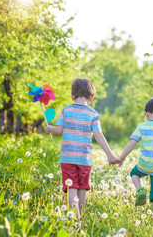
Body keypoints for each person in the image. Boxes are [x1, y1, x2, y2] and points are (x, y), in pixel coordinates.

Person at [45, 78, 120, 219]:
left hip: (68, 157)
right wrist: (110, 155)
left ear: (72, 96)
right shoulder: (93, 114)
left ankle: (73, 218)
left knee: (71, 186)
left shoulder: (66, 110)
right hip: (84, 159)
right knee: (83, 187)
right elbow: (98, 134)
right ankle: (81, 217)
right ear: (91, 97)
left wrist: (49, 128)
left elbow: (58, 130)